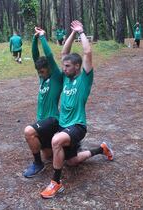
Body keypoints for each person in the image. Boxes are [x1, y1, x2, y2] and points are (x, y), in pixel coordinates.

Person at [40, 20, 114, 199]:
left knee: (56, 141)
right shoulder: (66, 78)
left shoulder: (84, 79)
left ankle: (56, 182)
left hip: (77, 126)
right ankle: (101, 149)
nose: (63, 69)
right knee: (71, 161)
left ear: (77, 67)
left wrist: (81, 32)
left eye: (67, 66)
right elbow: (64, 52)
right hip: (64, 126)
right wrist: (72, 33)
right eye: (63, 66)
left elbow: (88, 52)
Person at [23, 27, 63, 178]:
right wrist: (34, 39)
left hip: (52, 119)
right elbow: (35, 56)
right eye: (39, 72)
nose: (40, 74)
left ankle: (37, 164)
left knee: (28, 131)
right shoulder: (43, 78)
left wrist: (42, 37)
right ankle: (70, 146)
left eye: (43, 71)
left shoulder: (56, 77)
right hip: (43, 120)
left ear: (49, 69)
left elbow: (50, 56)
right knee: (48, 155)